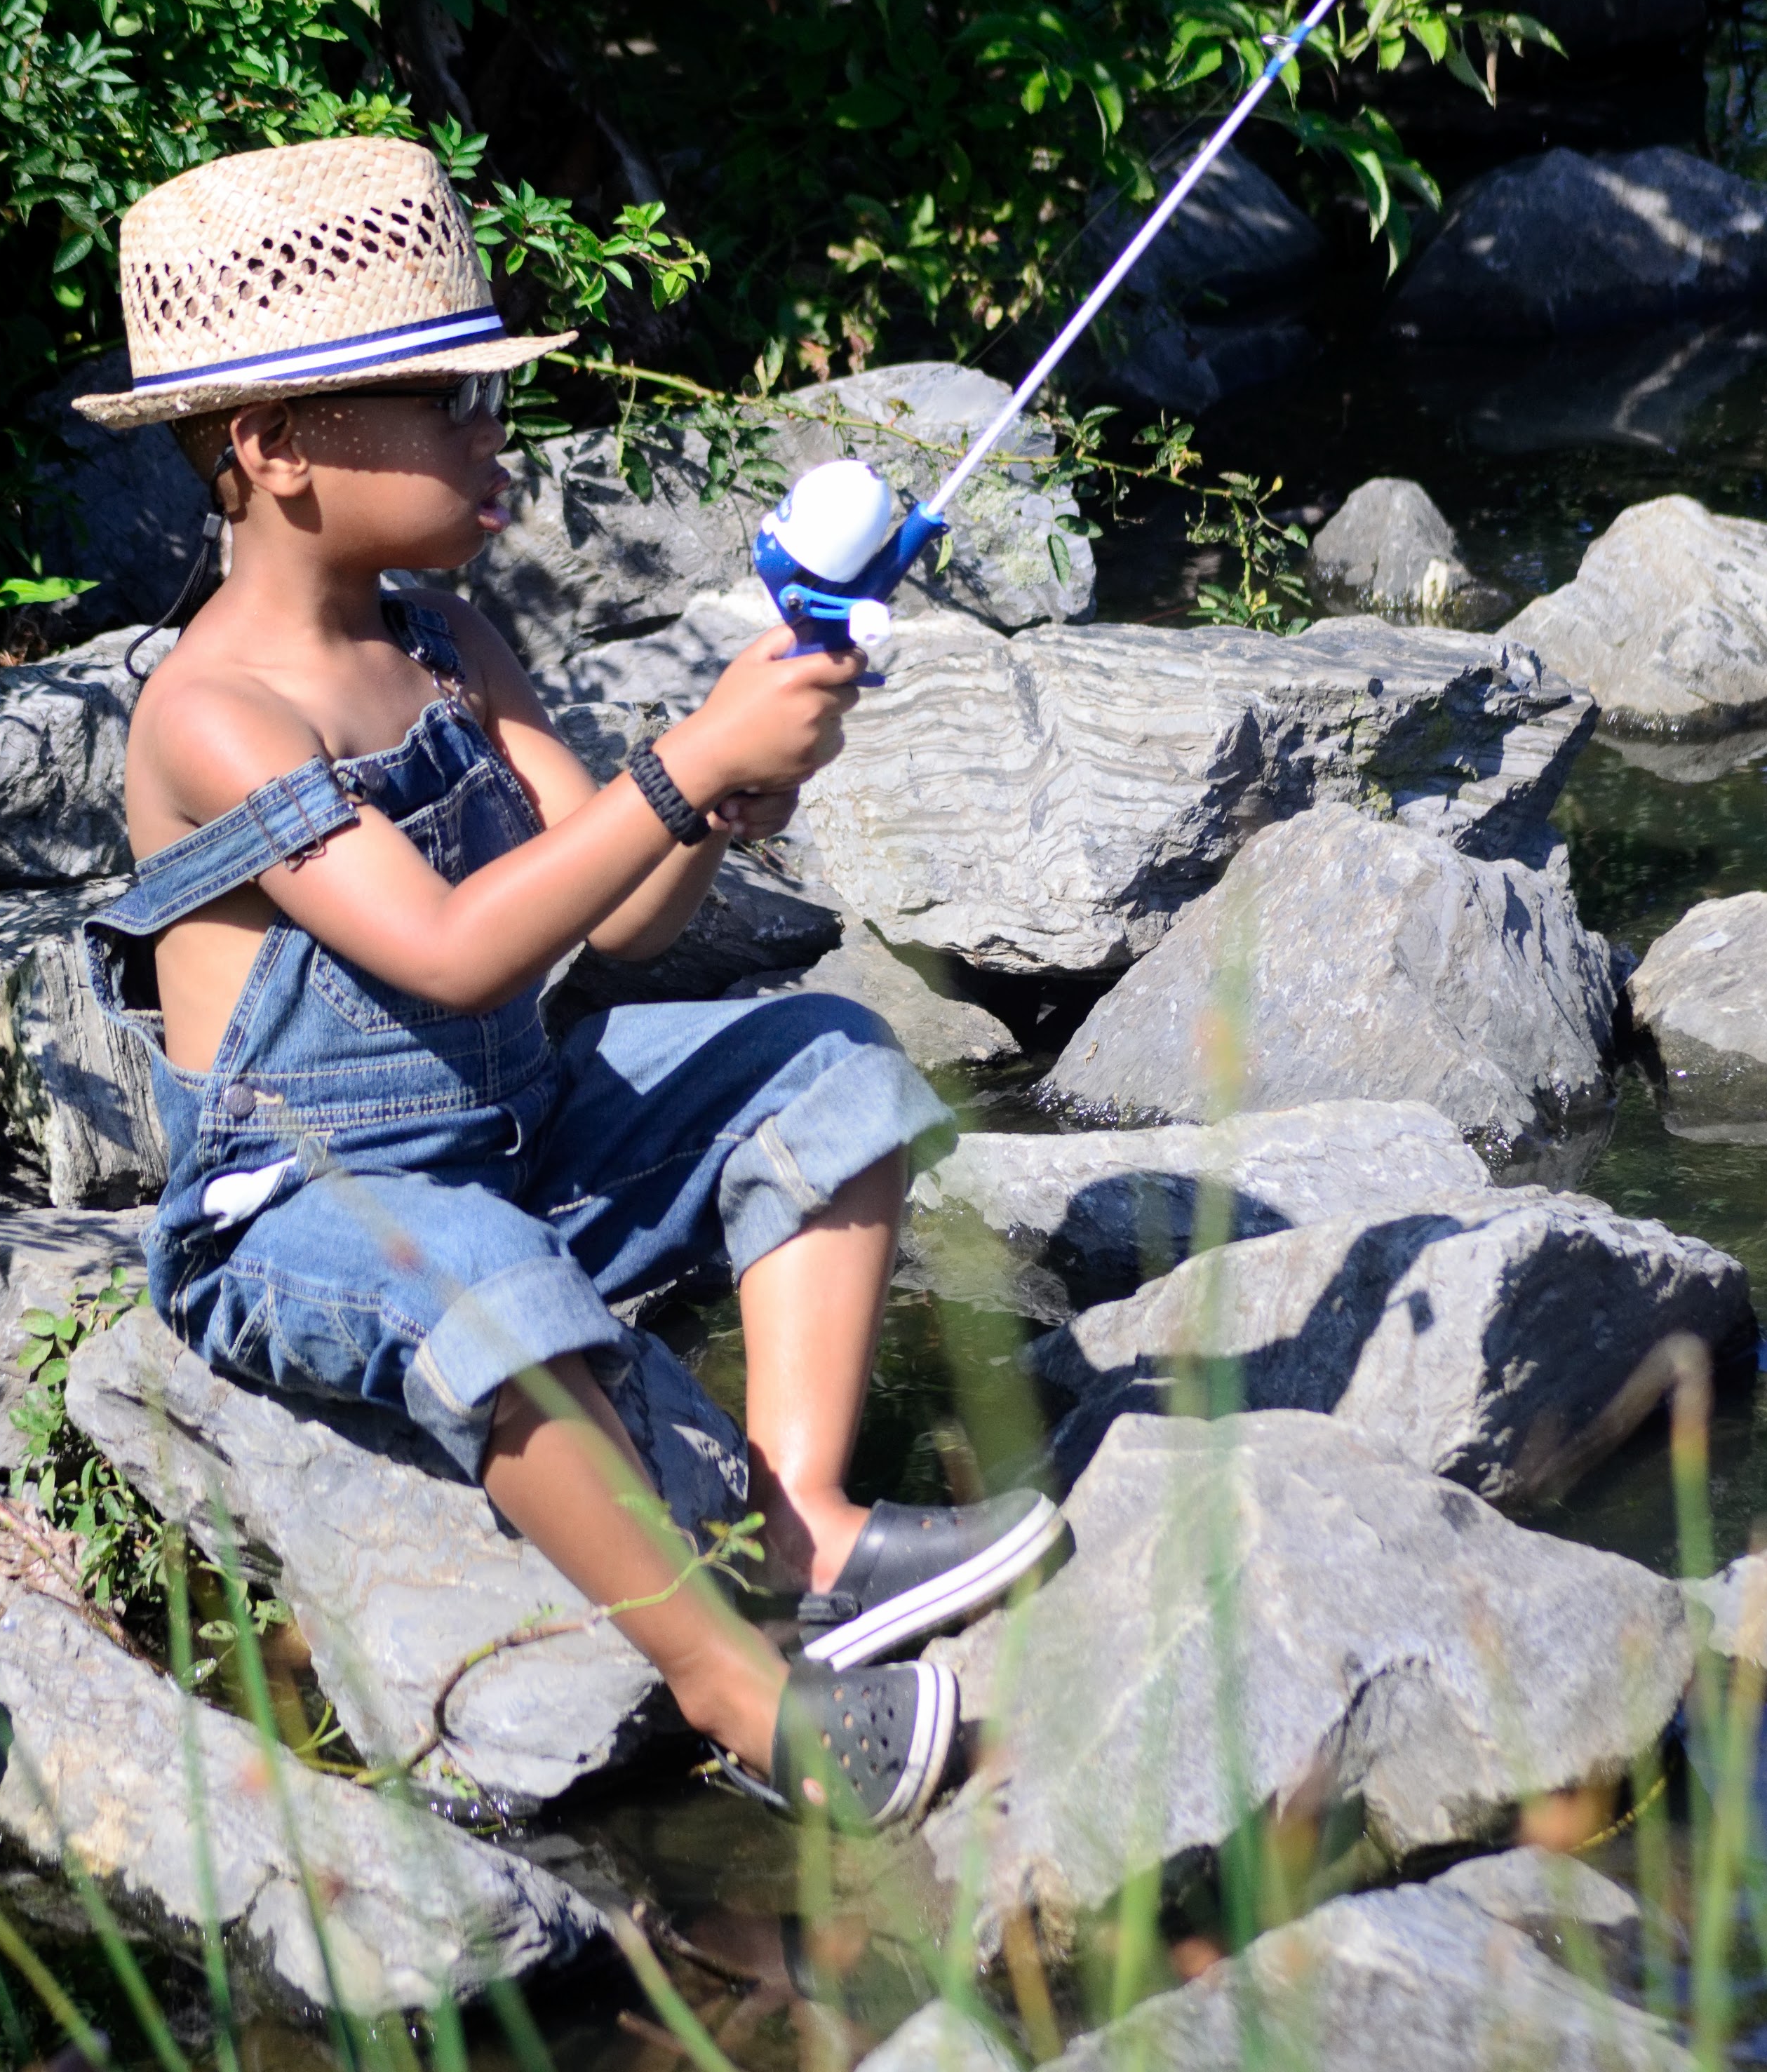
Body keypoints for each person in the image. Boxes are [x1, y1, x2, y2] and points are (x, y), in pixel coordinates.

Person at [74, 137, 1065, 1831]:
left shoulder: (448, 638)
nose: (492, 427)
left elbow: (614, 926)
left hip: (517, 1127)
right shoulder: (215, 715)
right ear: (275, 447)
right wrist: (684, 762)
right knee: (469, 1273)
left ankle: (803, 1513)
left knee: (823, 1051)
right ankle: (737, 1687)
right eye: (445, 394)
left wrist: (747, 785)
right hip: (309, 1203)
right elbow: (454, 946)